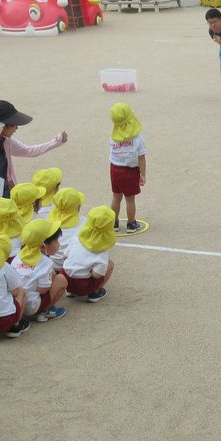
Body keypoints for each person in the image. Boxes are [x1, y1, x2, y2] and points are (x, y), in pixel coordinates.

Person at [11, 219, 68, 322]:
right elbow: (43, 290)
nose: (59, 244)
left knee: (52, 274)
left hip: (16, 303)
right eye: (56, 241)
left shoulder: (18, 257)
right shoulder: (46, 263)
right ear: (42, 246)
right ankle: (45, 311)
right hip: (31, 306)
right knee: (61, 280)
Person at [62, 205, 115, 302]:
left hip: (66, 280)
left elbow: (64, 256)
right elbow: (96, 275)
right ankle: (95, 292)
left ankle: (70, 291)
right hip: (83, 286)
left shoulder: (76, 238)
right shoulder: (101, 252)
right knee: (110, 264)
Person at [108, 103, 146, 233]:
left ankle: (114, 223)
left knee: (116, 197)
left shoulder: (113, 138)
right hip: (130, 171)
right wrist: (143, 174)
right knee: (130, 199)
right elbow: (141, 158)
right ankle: (131, 223)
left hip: (115, 169)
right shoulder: (138, 139)